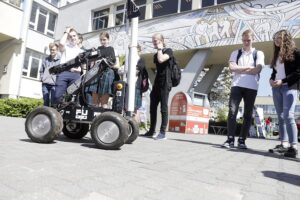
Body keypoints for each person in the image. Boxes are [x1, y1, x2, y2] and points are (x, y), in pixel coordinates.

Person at [222, 29, 265, 149]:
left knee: (247, 114)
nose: (246, 42)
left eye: (249, 40)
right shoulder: (235, 53)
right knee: (232, 111)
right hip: (236, 85)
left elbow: (258, 70)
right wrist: (248, 68)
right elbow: (231, 68)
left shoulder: (259, 53)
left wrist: (239, 68)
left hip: (251, 87)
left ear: (253, 40)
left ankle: (242, 140)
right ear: (242, 40)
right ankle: (230, 139)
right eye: (244, 40)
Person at [268, 30, 300, 158]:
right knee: (280, 116)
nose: (276, 40)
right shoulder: (276, 55)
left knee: (288, 116)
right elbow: (275, 72)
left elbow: (298, 72)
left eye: (278, 38)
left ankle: (294, 147)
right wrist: (271, 79)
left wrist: (283, 81)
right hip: (276, 88)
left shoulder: (296, 53)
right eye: (275, 38)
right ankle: (284, 144)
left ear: (285, 39)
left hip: (289, 87)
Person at [142, 33, 173, 140]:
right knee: (152, 107)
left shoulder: (168, 50)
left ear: (161, 41)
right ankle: (151, 130)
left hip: (166, 82)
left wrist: (160, 49)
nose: (154, 43)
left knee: (163, 108)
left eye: (156, 40)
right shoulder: (155, 55)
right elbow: (158, 62)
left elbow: (161, 59)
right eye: (153, 41)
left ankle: (163, 132)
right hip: (157, 83)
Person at [54, 27, 84, 105]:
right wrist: (67, 31)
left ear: (77, 37)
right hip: (63, 73)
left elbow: (83, 67)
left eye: (74, 36)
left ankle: (68, 115)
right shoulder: (65, 47)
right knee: (58, 96)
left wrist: (80, 71)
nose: (72, 38)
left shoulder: (81, 51)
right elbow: (61, 43)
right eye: (70, 36)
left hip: (75, 76)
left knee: (72, 98)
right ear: (68, 38)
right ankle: (58, 113)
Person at [89, 32, 119, 108]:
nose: (102, 41)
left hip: (108, 72)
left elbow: (115, 63)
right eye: (101, 40)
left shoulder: (112, 49)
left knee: (105, 94)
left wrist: (106, 62)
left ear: (108, 39)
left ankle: (103, 111)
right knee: (95, 92)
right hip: (97, 72)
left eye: (104, 39)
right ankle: (95, 110)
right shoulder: (98, 49)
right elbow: (92, 63)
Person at [40, 42, 60, 107]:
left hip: (54, 84)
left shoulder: (60, 60)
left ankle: (53, 116)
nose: (52, 51)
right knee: (46, 100)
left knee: (53, 101)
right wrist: (42, 78)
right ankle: (46, 116)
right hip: (45, 83)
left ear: (57, 50)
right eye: (51, 49)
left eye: (53, 50)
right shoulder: (46, 59)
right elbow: (41, 70)